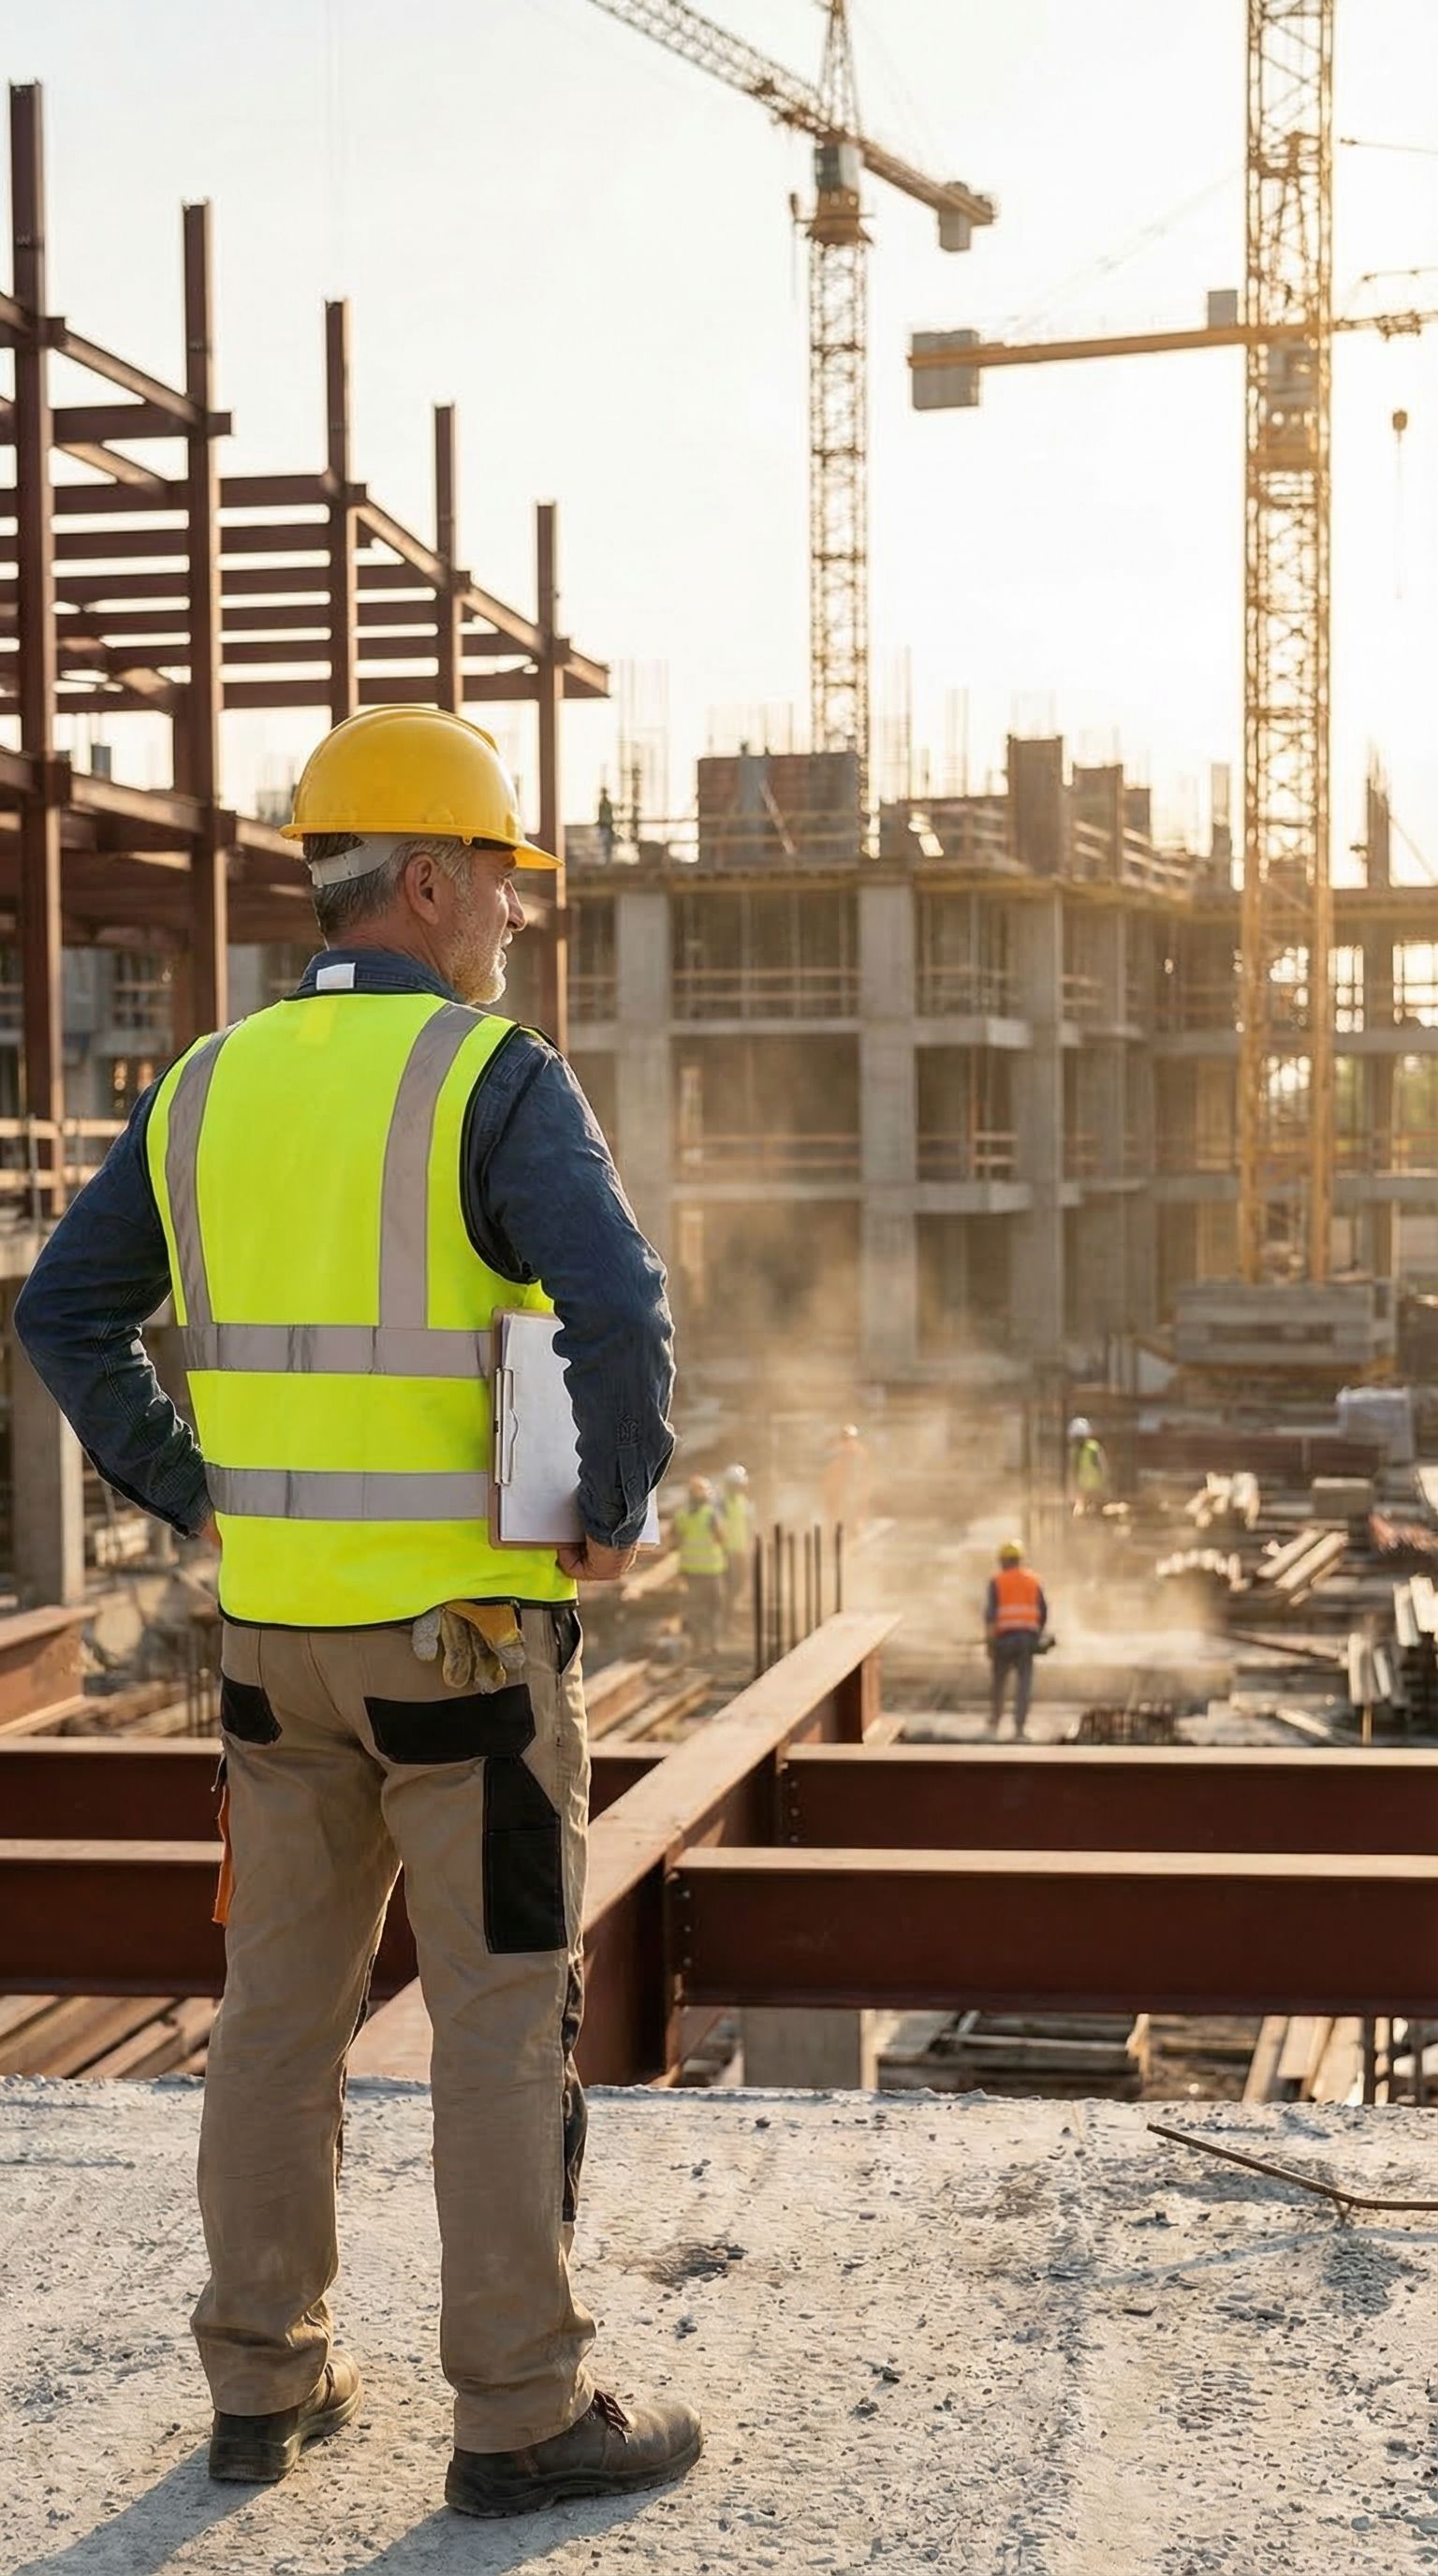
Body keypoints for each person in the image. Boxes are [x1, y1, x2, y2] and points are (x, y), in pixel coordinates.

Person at [14, 705, 702, 2520]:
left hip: (269, 1654)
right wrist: (609, 1509)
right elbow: (621, 1315)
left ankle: (262, 2382)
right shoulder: (493, 1077)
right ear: (422, 878)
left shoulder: (205, 1083)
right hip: (464, 1654)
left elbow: (62, 1314)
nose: (512, 918)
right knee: (493, 2013)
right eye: (498, 879)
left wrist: (185, 1486)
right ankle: (520, 2411)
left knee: (275, 2015)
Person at [984, 1540, 1049, 1738]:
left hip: (1004, 1639)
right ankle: (1019, 1728)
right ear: (1019, 1560)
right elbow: (1043, 1612)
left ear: (1002, 1561)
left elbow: (990, 1615)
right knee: (1024, 1684)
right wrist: (1037, 1635)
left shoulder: (997, 1581)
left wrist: (990, 1642)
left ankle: (995, 1722)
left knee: (999, 1681)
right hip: (1027, 1640)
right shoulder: (1033, 1580)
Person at [673, 1474, 727, 1652]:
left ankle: (698, 1643)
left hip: (691, 1571)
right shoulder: (711, 1514)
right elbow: (721, 1538)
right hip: (712, 1570)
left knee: (695, 1608)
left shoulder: (681, 1515)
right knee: (714, 1608)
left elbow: (674, 1541)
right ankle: (713, 1643)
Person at [718, 1462, 755, 1615]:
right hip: (726, 1552)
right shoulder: (721, 1502)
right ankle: (726, 1617)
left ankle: (729, 1614)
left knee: (739, 1584)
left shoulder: (743, 1502)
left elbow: (748, 1526)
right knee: (730, 1586)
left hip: (740, 1550)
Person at [822, 1422, 870, 1532]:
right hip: (844, 1487)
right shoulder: (855, 1451)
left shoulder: (856, 1452)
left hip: (849, 1487)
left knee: (848, 1511)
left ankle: (848, 1528)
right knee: (843, 1511)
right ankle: (848, 1529)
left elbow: (863, 1472)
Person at [1067, 1415, 1109, 1518]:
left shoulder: (1093, 1448)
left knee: (1096, 1514)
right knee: (1083, 1515)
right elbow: (1073, 1471)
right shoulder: (1073, 1451)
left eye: (1079, 1438)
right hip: (1082, 1490)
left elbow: (1103, 1468)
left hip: (1096, 1489)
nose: (1077, 1441)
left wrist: (1105, 1485)